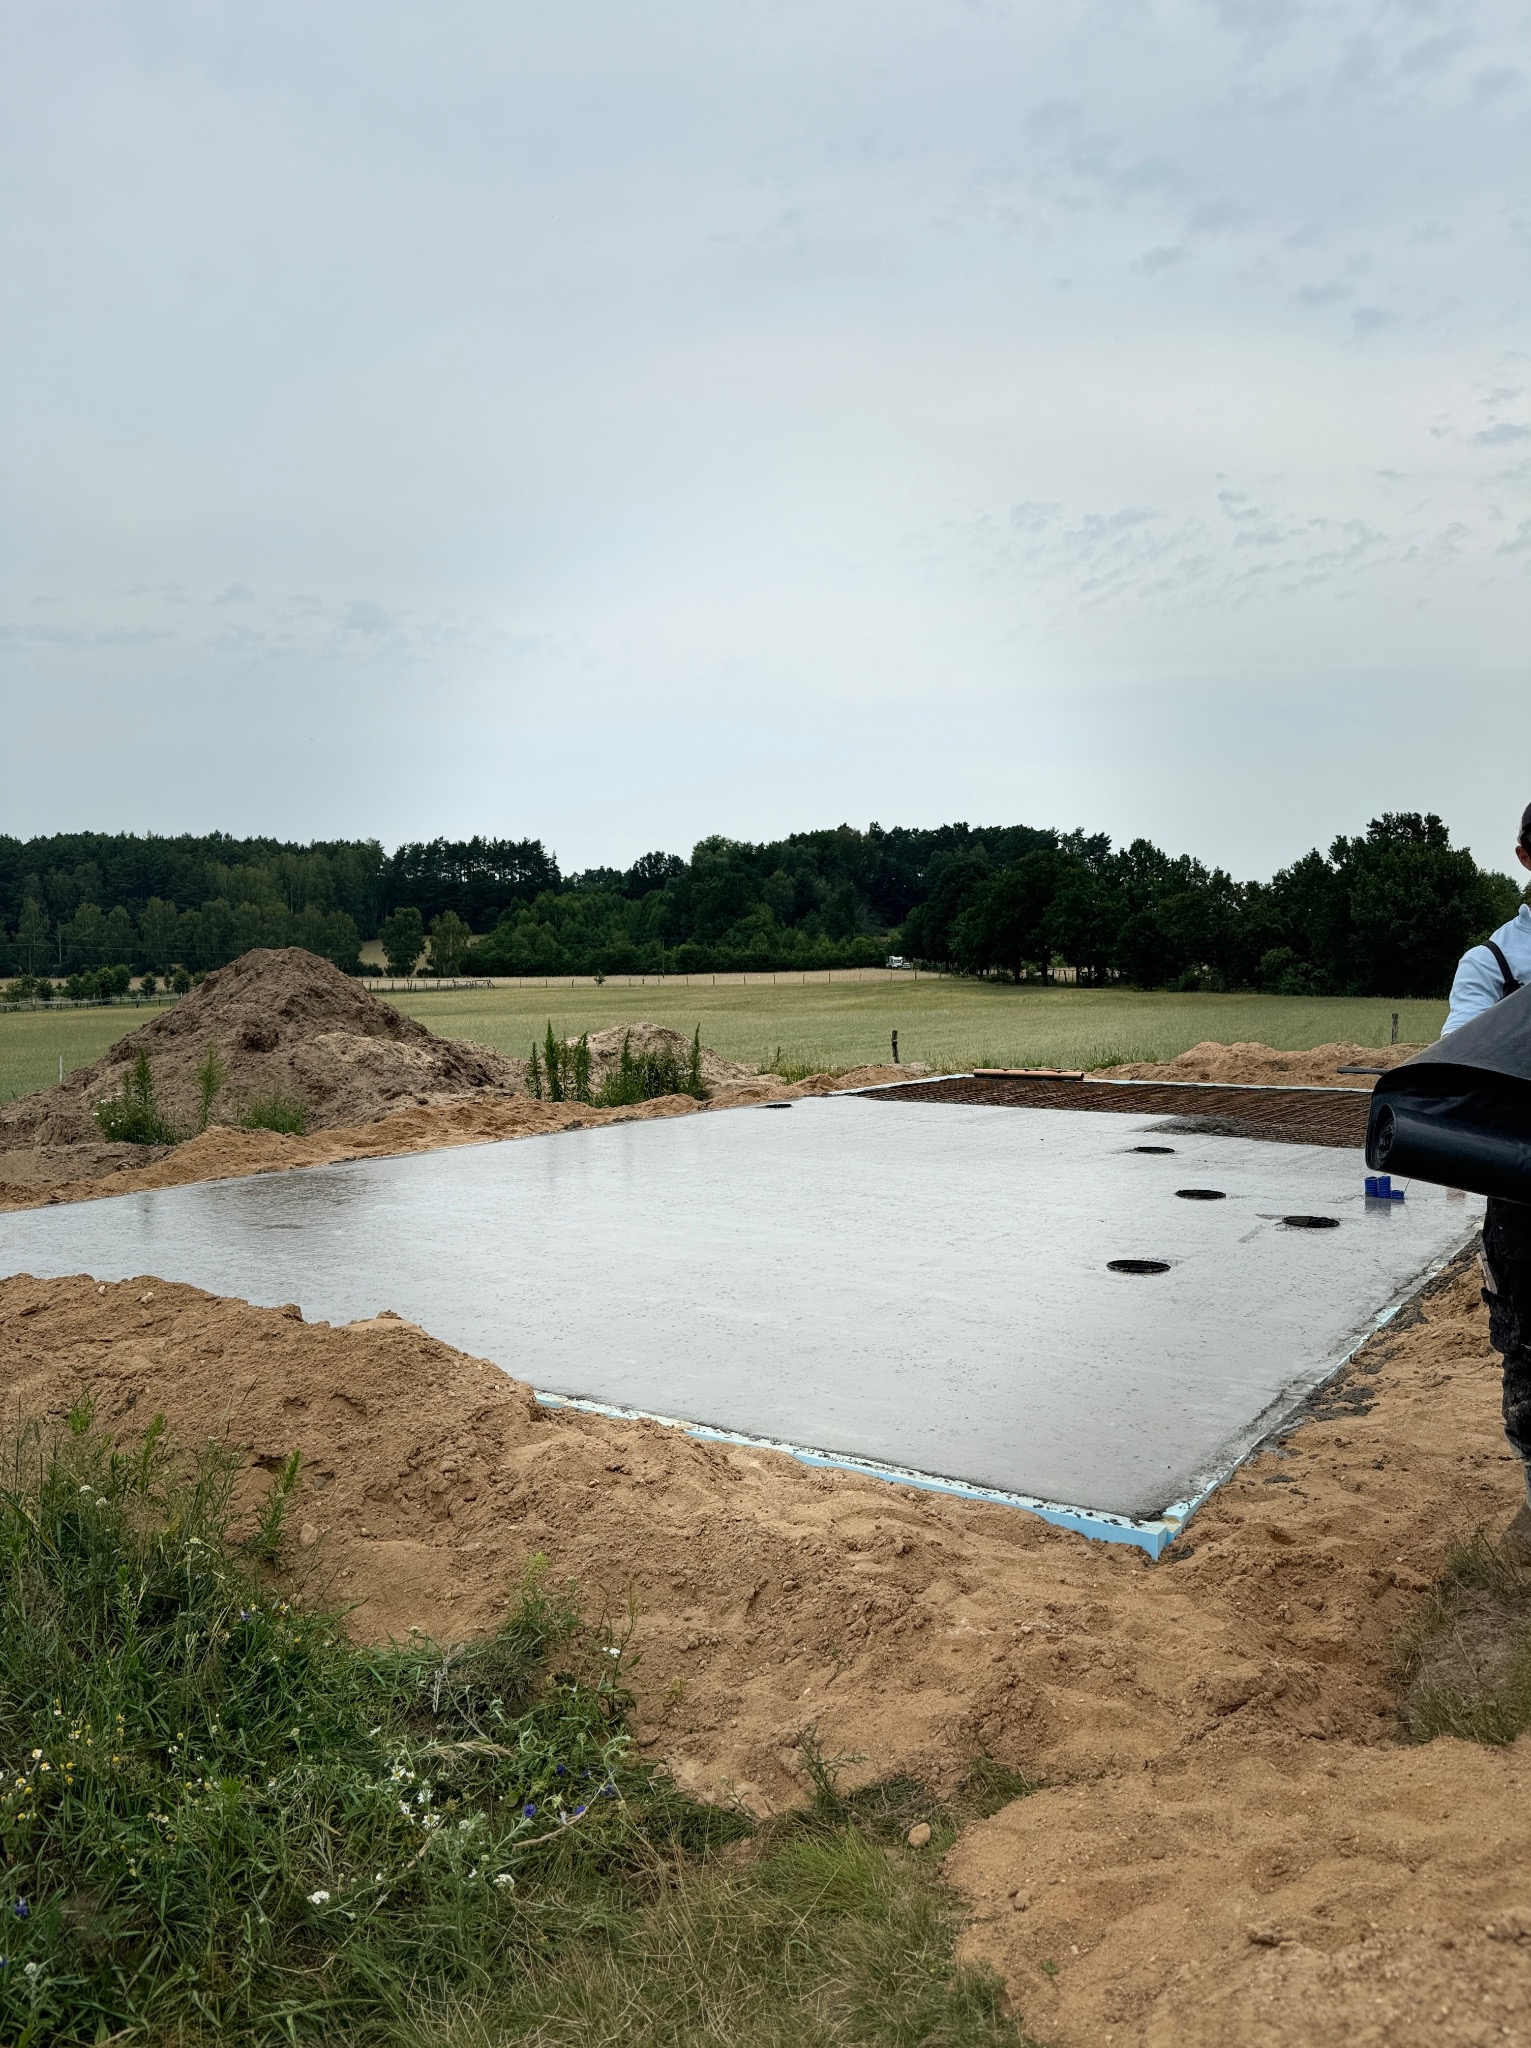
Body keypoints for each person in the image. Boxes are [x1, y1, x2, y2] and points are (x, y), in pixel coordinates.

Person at [1442, 802, 1531, 1555]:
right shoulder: (1493, 964)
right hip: (1526, 1195)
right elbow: (1463, 1062)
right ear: (1524, 858)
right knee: (1528, 1347)